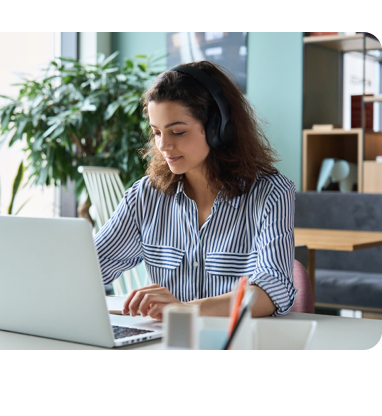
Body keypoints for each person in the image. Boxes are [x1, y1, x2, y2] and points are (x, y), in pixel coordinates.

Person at [94, 60, 297, 321]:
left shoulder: (271, 194)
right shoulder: (145, 196)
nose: (164, 145)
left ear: (218, 129)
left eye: (178, 132)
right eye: (157, 132)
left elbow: (274, 290)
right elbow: (89, 269)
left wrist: (183, 311)